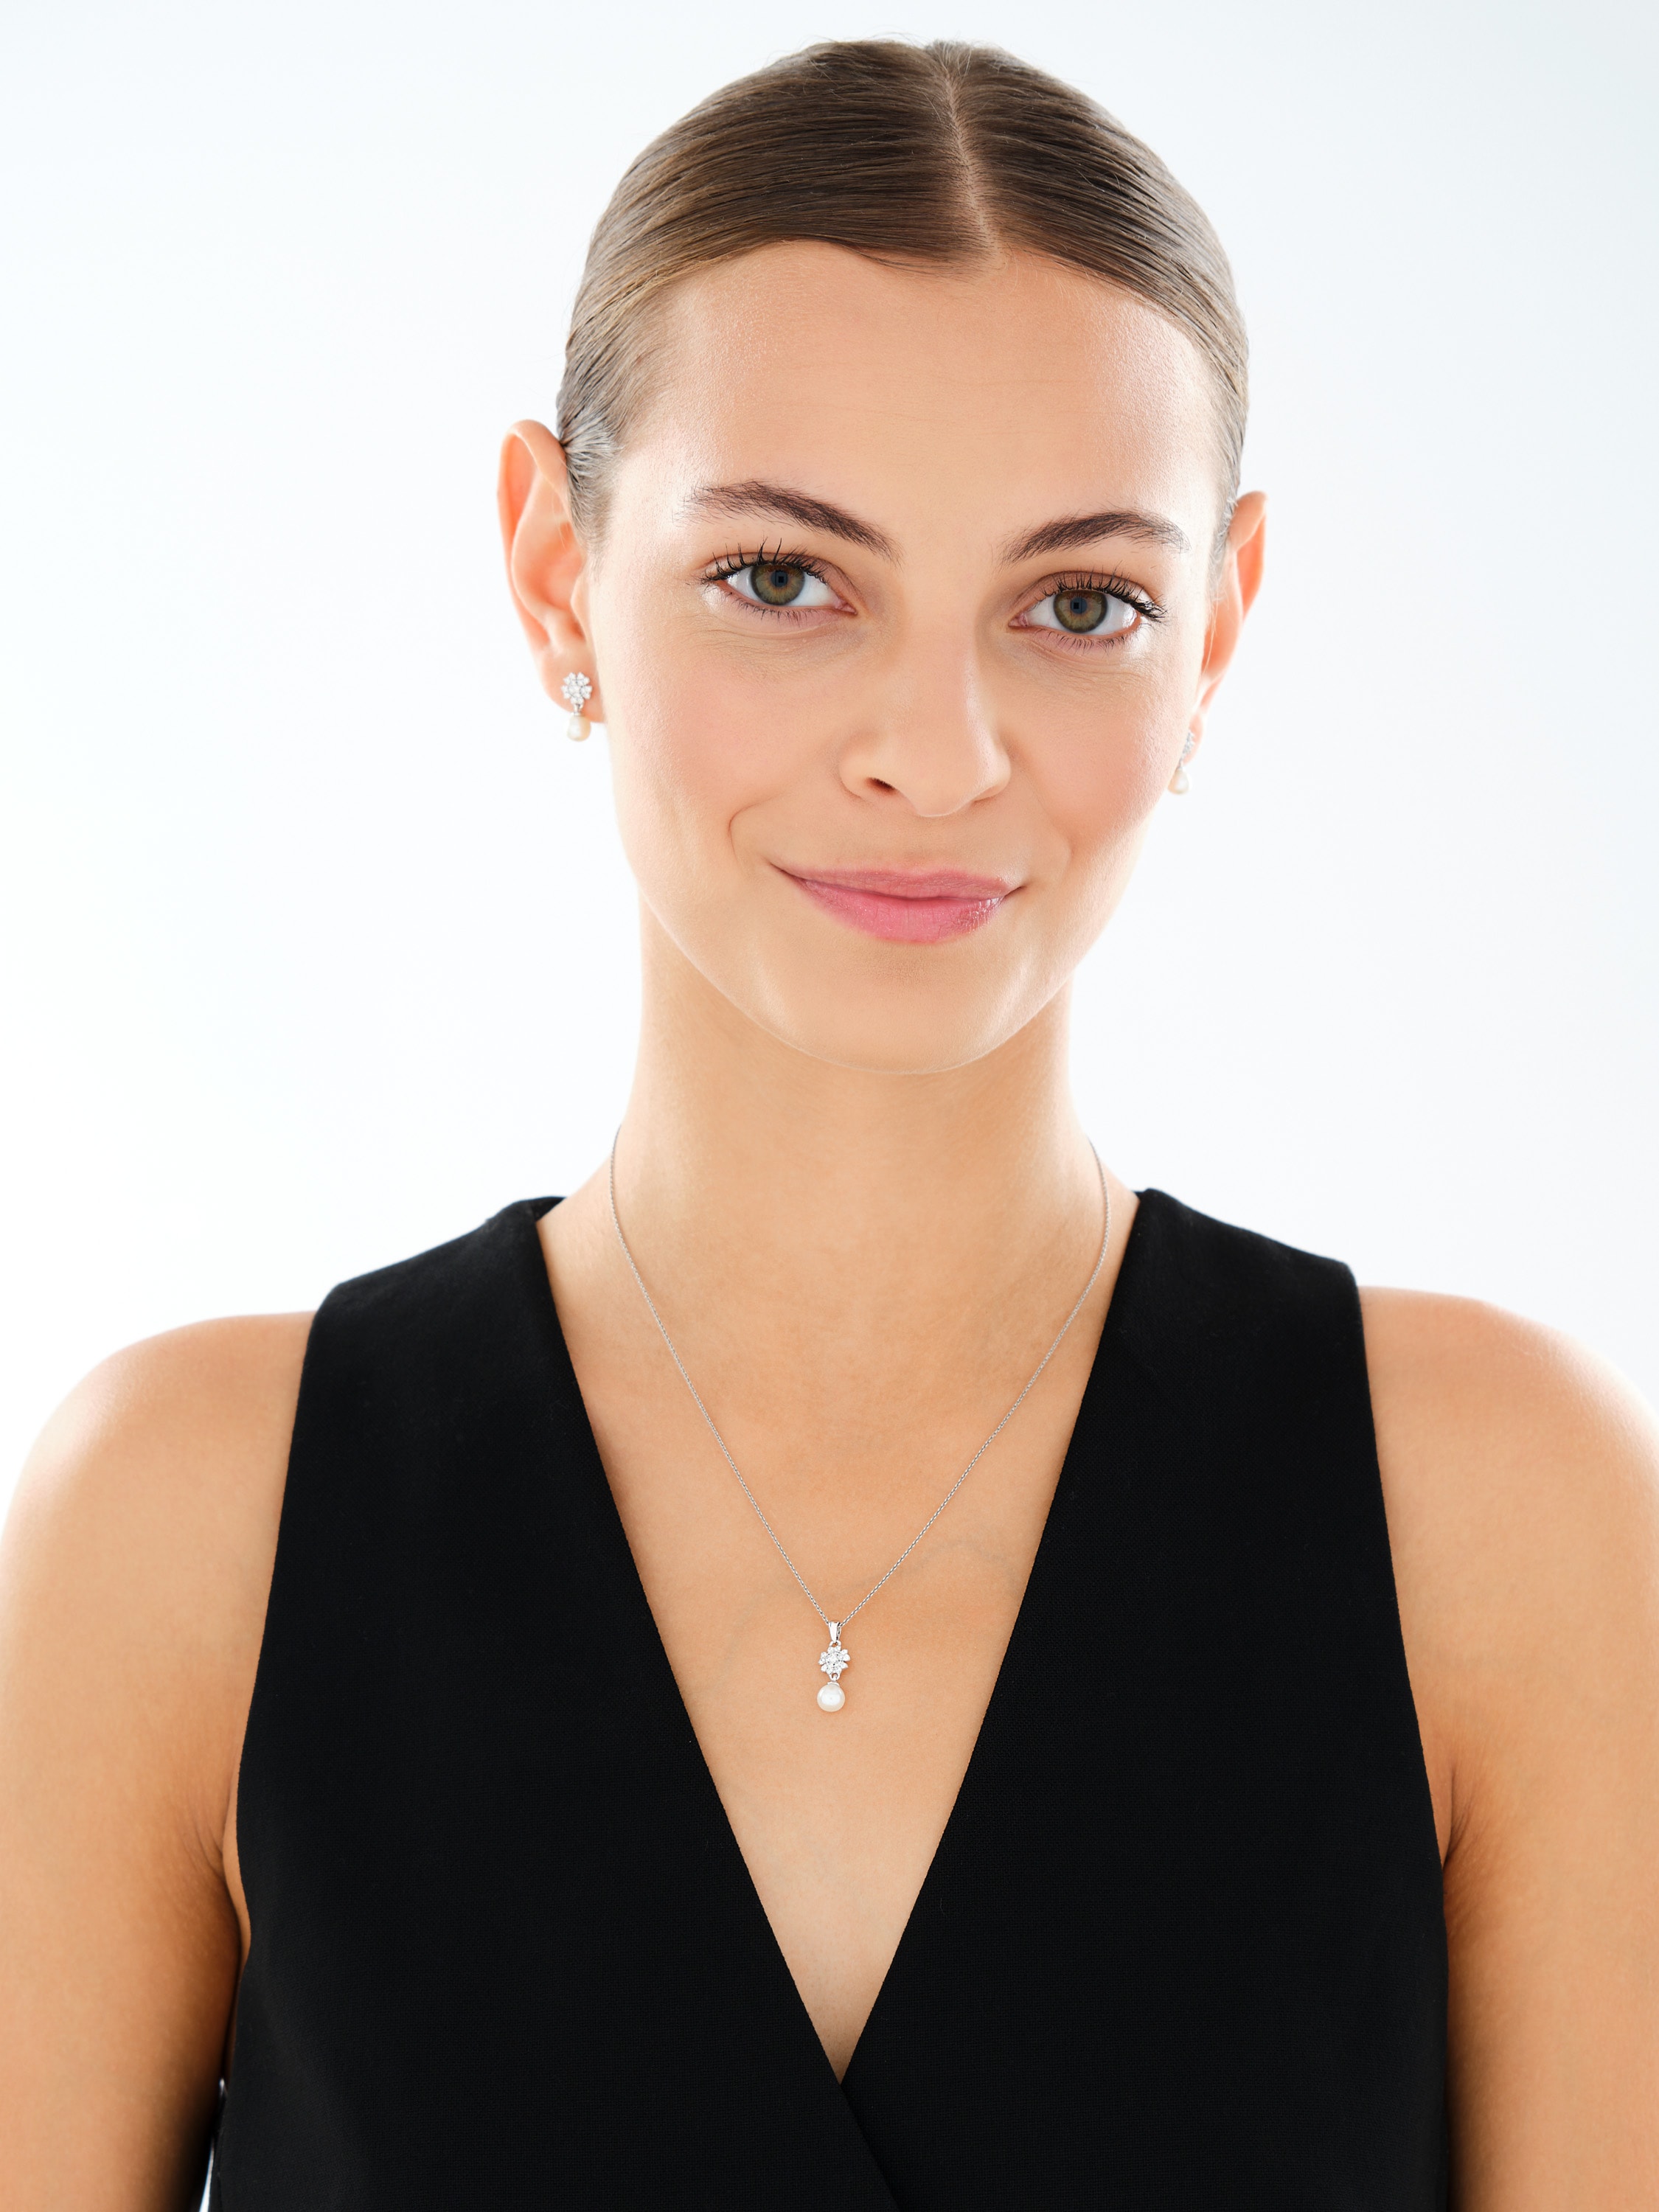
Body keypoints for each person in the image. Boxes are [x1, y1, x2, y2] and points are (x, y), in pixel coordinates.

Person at [2, 35, 1655, 2211]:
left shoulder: (1505, 1525)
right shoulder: (186, 1528)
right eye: (785, 578)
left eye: (1080, 603)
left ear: (1217, 631)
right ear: (555, 569)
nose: (935, 753)